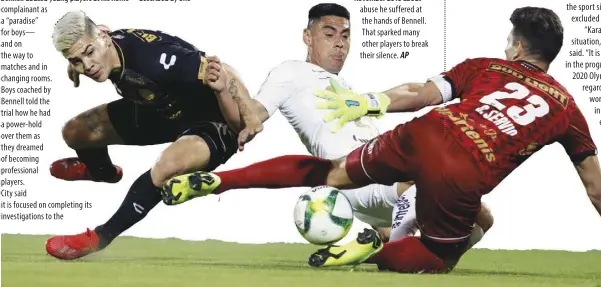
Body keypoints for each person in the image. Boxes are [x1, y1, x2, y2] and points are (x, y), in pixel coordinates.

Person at [162, 6, 601, 273]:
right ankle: (377, 245)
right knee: (443, 255)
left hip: (425, 130)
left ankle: (222, 182)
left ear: (517, 45)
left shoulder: (483, 66)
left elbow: (421, 94)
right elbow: (598, 188)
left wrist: (372, 101)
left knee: (336, 174)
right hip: (461, 167)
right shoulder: (567, 108)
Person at [162, 3, 493, 246]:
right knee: (428, 175)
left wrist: (373, 101)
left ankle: (382, 240)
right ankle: (393, 241)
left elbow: (403, 93)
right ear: (308, 36)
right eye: (329, 33)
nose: (339, 42)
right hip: (357, 178)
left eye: (346, 35)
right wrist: (224, 93)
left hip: (383, 171)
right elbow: (252, 115)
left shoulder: (344, 86)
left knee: (483, 219)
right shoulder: (290, 72)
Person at [45, 11, 258, 260]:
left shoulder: (155, 59)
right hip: (163, 110)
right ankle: (102, 172)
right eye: (76, 60)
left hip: (212, 120)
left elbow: (225, 72)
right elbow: (86, 45)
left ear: (103, 37)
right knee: (75, 132)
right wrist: (77, 62)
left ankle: (99, 237)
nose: (87, 65)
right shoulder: (101, 44)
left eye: (89, 53)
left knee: (166, 167)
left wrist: (250, 117)